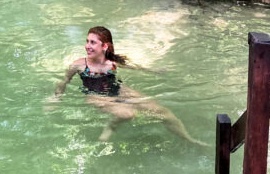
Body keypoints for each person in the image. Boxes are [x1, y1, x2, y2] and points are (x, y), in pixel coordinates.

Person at [54, 26, 206, 145]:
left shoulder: (112, 61)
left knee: (163, 112)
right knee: (127, 114)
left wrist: (154, 71)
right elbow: (63, 82)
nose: (87, 46)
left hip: (119, 90)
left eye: (92, 42)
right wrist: (55, 98)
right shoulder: (79, 65)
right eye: (87, 41)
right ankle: (110, 127)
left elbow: (135, 67)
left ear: (105, 46)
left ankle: (188, 139)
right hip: (96, 95)